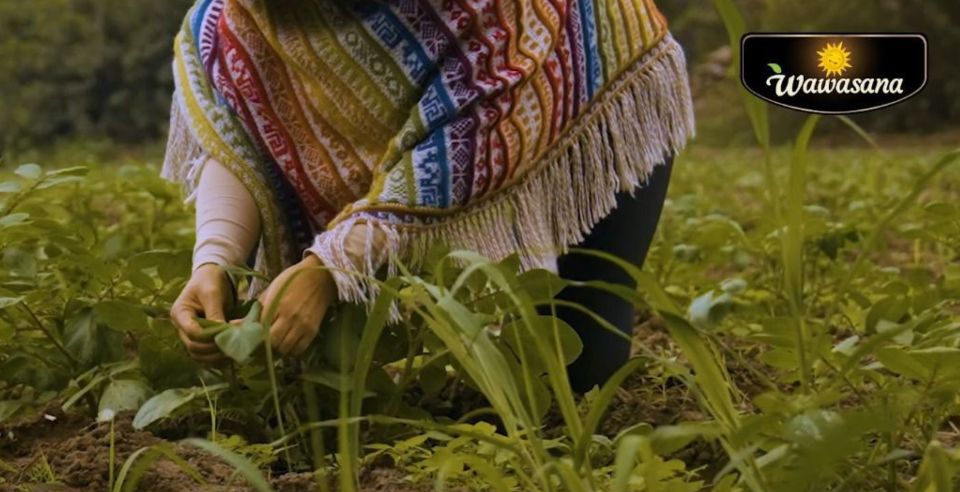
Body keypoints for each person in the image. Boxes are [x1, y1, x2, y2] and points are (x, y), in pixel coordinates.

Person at [166, 0, 694, 392]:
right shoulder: (236, 18)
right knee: (497, 387)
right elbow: (244, 127)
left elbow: (468, 140)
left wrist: (329, 269)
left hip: (587, 76)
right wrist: (215, 262)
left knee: (580, 358)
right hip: (459, 114)